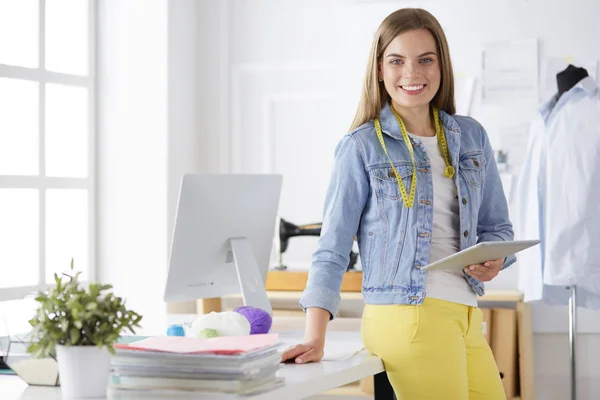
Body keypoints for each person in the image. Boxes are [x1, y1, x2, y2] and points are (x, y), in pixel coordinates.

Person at [281, 8, 515, 400]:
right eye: (397, 60)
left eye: (426, 59)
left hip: (467, 312)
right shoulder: (361, 146)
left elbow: (498, 230)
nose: (413, 73)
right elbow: (332, 248)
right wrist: (314, 337)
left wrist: (496, 260)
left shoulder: (472, 137)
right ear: (379, 70)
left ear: (442, 65)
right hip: (408, 315)